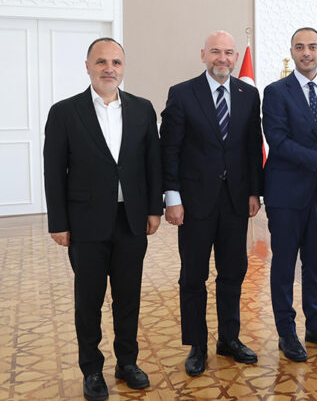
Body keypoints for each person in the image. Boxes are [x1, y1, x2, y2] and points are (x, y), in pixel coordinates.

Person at [43, 37, 162, 400]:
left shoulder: (142, 109)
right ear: (88, 66)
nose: (109, 68)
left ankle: (127, 363)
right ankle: (92, 369)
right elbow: (53, 171)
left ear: (123, 68)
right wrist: (58, 222)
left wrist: (154, 209)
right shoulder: (65, 112)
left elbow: (152, 163)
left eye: (116, 62)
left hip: (131, 220)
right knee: (89, 301)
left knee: (128, 298)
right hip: (85, 223)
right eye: (101, 62)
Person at [160, 30, 264, 376]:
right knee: (193, 276)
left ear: (235, 57)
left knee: (233, 272)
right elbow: (169, 150)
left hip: (235, 201)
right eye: (216, 52)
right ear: (203, 54)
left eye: (229, 53)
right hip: (193, 204)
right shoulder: (182, 93)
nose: (223, 58)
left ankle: (229, 339)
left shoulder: (249, 94)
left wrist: (254, 192)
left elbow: (253, 147)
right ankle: (197, 344)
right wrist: (172, 197)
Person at [262, 27, 317, 362]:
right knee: (284, 266)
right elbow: (278, 141)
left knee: (315, 265)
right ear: (292, 52)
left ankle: (316, 326)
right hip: (285, 194)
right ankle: (286, 333)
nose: (306, 53)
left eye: (312, 47)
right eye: (299, 47)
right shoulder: (275, 92)